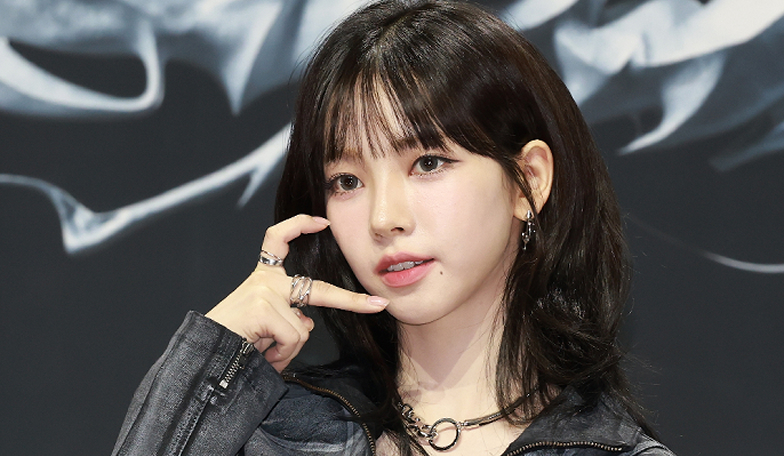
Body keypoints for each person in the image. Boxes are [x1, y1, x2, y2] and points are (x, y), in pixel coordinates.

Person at [112, 1, 676, 455]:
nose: (384, 219)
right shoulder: (273, 434)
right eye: (347, 181)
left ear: (527, 181)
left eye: (427, 163)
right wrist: (213, 363)